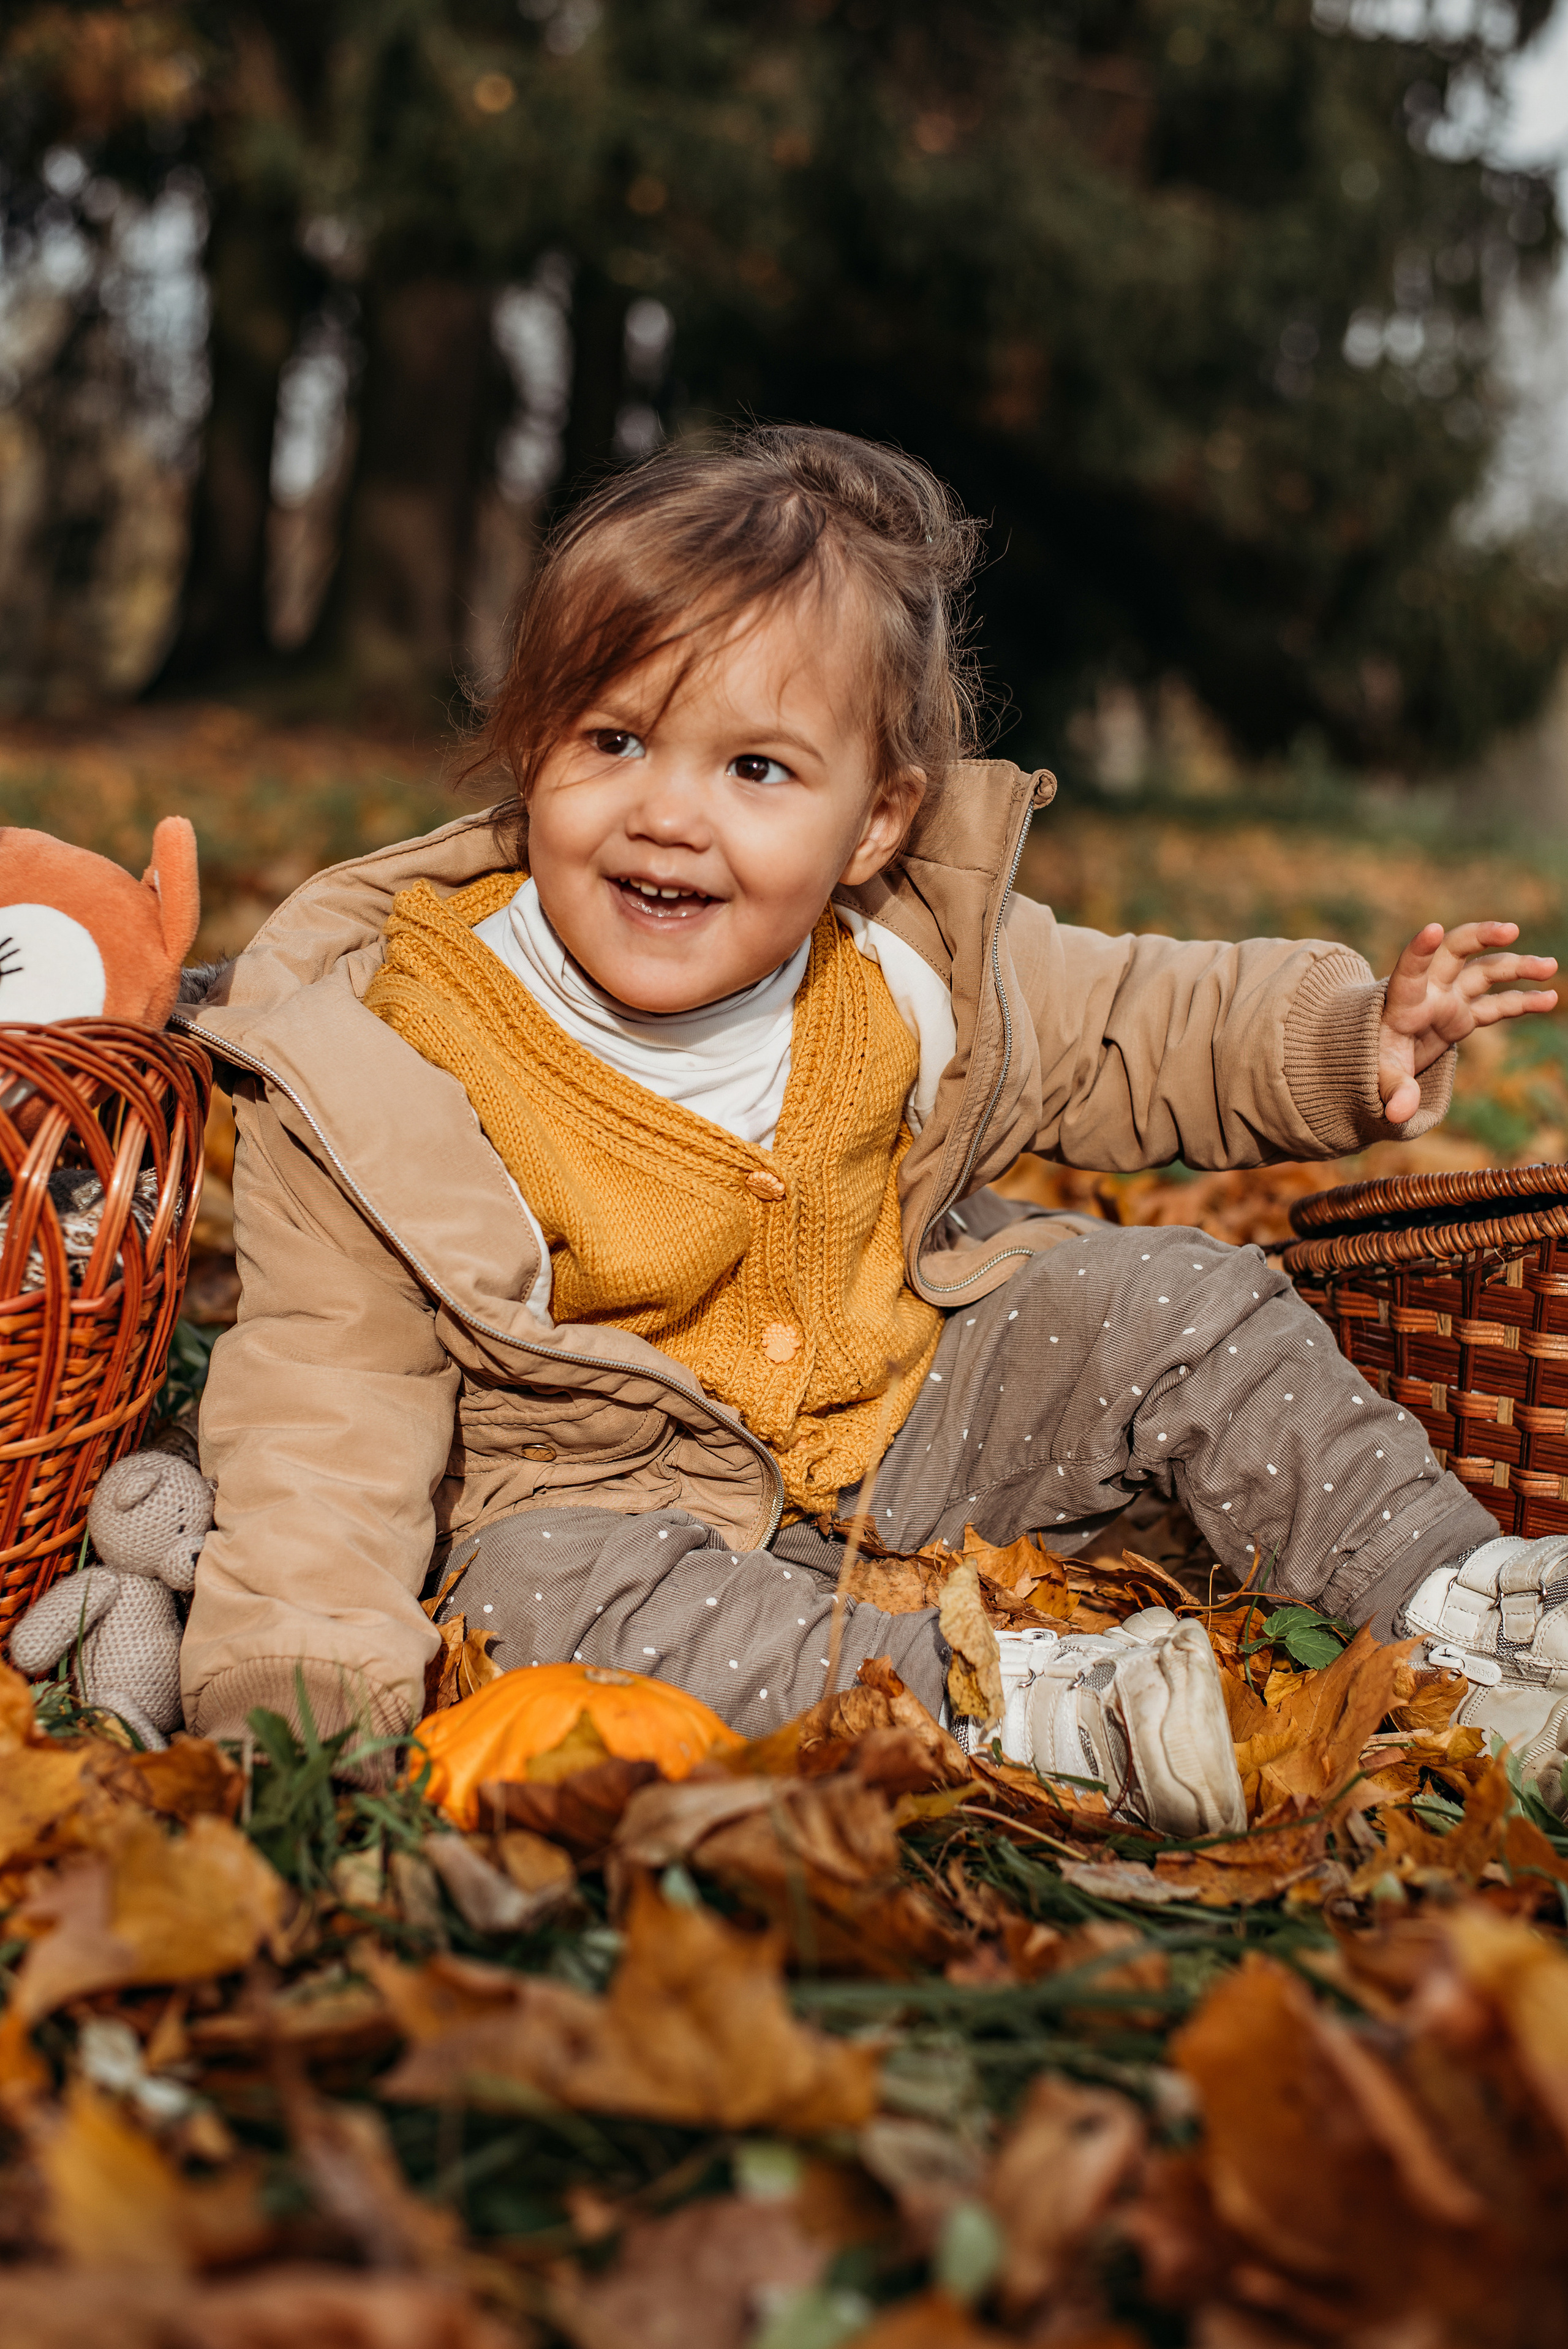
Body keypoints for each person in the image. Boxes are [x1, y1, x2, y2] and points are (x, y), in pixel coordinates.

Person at [173, 425, 1564, 1809]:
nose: (668, 813)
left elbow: (1135, 1017)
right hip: (606, 1497)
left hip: (912, 1414)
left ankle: (1445, 1597)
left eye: (756, 770)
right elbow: (326, 1398)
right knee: (533, 1598)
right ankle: (1015, 1707)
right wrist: (299, 1693)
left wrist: (1344, 1039)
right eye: (615, 740)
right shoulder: (390, 1052)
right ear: (533, 751)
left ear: (875, 824)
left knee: (1177, 1298)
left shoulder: (897, 958)